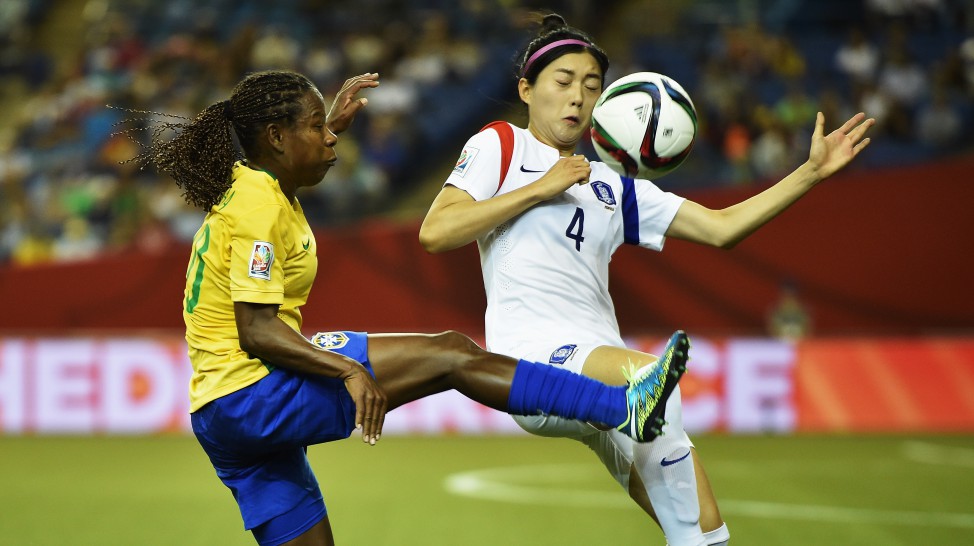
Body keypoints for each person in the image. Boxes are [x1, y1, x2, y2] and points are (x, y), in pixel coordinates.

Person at [115, 69, 690, 546]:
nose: (332, 138)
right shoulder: (259, 208)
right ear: (275, 136)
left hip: (222, 414)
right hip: (250, 394)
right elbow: (257, 329)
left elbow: (279, 174)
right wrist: (347, 370)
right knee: (450, 355)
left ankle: (620, 407)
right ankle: (619, 407)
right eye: (316, 128)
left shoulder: (256, 184)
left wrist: (322, 126)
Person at [419, 13, 874, 546]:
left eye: (590, 87)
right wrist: (539, 189)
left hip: (599, 362)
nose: (576, 98)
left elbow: (721, 228)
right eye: (562, 82)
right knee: (650, 380)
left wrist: (810, 173)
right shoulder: (502, 145)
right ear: (526, 89)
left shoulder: (613, 184)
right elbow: (436, 231)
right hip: (534, 362)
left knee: (707, 534)